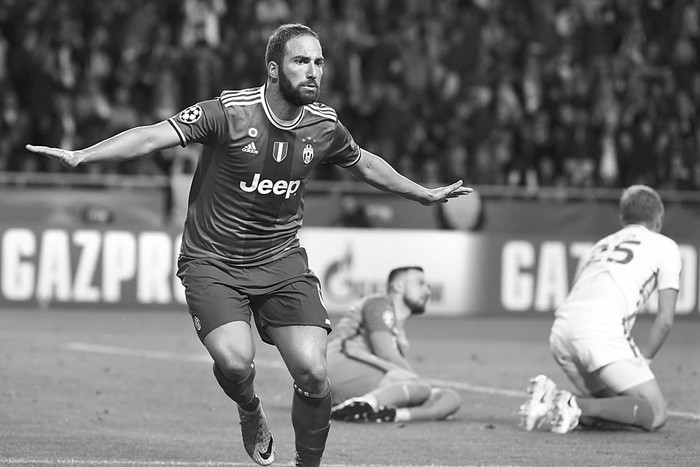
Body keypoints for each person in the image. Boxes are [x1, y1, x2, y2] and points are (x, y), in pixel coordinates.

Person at [25, 23, 472, 467]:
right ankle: (250, 410)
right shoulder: (229, 112)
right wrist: (84, 155)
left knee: (315, 373)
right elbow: (151, 136)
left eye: (318, 61)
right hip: (212, 262)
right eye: (301, 61)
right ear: (273, 69)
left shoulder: (324, 125)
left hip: (281, 262)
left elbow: (366, 164)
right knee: (237, 363)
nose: (313, 71)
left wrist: (422, 193)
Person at [518, 185, 681, 434]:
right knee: (655, 413)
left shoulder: (601, 245)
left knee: (616, 409)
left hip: (562, 332)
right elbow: (666, 319)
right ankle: (571, 403)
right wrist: (643, 362)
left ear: (622, 218)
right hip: (599, 331)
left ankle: (551, 400)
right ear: (659, 219)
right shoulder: (665, 245)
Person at [326, 266, 461, 423]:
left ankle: (390, 414)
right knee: (420, 387)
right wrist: (419, 385)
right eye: (420, 284)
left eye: (428, 286)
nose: (427, 291)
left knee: (450, 396)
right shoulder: (378, 303)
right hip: (337, 363)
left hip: (354, 379)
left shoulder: (398, 336)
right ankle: (364, 404)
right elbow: (385, 352)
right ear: (398, 286)